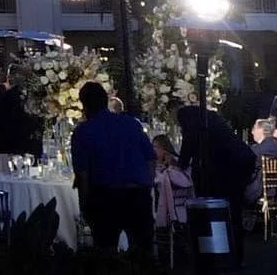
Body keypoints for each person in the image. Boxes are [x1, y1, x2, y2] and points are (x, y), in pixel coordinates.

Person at [70, 81, 154, 255]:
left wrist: (85, 206)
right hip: (138, 194)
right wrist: (147, 186)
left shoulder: (83, 132)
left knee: (106, 254)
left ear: (84, 105)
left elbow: (82, 174)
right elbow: (150, 159)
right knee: (143, 253)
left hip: (105, 197)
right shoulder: (131, 123)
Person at [0, 66, 40, 168]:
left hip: (18, 146)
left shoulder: (14, 96)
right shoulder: (9, 97)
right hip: (16, 146)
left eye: (13, 75)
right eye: (9, 75)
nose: (9, 78)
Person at [152, 134, 194, 233]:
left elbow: (160, 181)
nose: (152, 150)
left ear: (163, 148)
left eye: (155, 147)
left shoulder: (170, 167)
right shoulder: (177, 162)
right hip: (182, 210)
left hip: (168, 210)